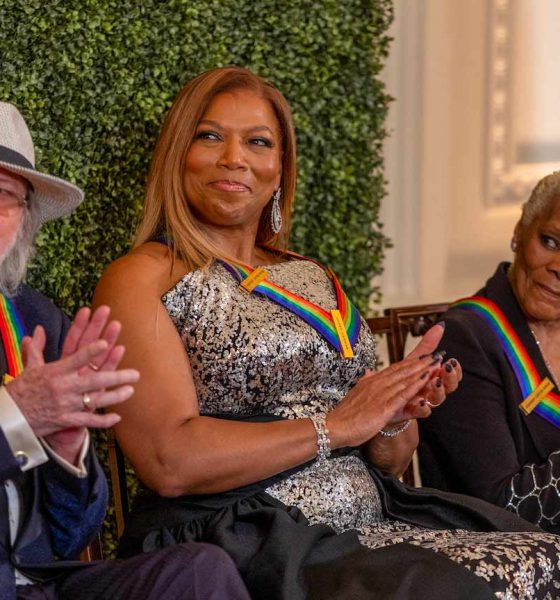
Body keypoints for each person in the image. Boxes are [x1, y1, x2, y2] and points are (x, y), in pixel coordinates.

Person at [93, 66, 560, 600]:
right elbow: (168, 462)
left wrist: (391, 415)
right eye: (210, 136)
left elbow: (389, 455)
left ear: (279, 170)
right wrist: (335, 426)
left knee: (548, 553)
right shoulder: (143, 275)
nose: (234, 158)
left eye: (258, 142)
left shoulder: (313, 276)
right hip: (243, 530)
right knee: (472, 587)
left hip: (369, 522)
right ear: (179, 154)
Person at [0, 102, 250, 600]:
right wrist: (15, 419)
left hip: (36, 583)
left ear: (24, 221)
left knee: (199, 572)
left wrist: (67, 449)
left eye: (4, 196)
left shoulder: (34, 321)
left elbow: (72, 536)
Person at [419, 171, 560, 534]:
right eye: (550, 242)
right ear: (519, 232)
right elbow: (502, 506)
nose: (558, 267)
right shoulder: (466, 338)